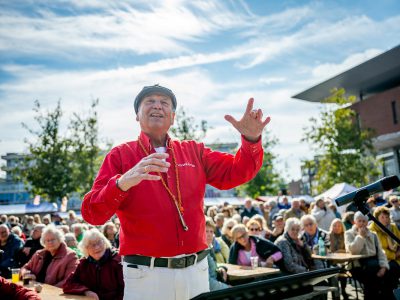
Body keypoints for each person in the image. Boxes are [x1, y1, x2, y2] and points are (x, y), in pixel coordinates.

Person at [81, 84, 270, 300]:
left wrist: (251, 141)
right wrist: (122, 182)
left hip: (196, 272)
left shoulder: (193, 151)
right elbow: (92, 214)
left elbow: (237, 172)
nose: (157, 106)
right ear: (137, 115)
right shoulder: (120, 156)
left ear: (172, 117)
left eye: (164, 103)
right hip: (146, 275)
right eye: (150, 101)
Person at [63, 228, 124, 300]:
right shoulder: (84, 263)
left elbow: (125, 291)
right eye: (92, 245)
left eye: (99, 242)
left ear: (104, 242)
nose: (97, 247)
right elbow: (68, 284)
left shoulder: (117, 261)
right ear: (86, 249)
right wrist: (86, 291)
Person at [345, 211, 392, 300]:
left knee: (387, 275)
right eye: (359, 221)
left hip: (374, 263)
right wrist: (360, 237)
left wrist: (383, 267)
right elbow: (352, 250)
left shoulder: (373, 234)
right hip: (358, 265)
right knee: (372, 279)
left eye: (364, 221)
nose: (362, 223)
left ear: (367, 222)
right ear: (355, 222)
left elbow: (380, 252)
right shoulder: (349, 233)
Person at [368, 206, 400, 293]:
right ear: (376, 218)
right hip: (382, 259)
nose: (385, 219)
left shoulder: (392, 227)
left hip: (397, 257)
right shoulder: (372, 230)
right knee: (392, 269)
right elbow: (378, 249)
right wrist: (394, 255)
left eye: (387, 217)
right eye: (382, 217)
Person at [204, 218, 229, 291]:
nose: (209, 234)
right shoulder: (200, 252)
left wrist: (221, 268)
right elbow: (207, 283)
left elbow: (212, 265)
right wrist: (228, 288)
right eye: (206, 231)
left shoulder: (209, 247)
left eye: (211, 231)